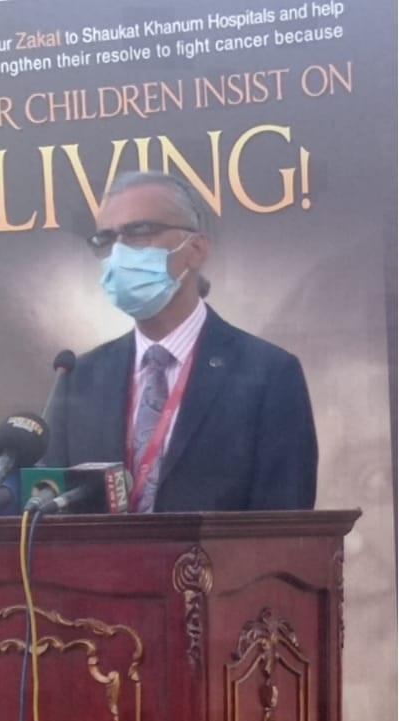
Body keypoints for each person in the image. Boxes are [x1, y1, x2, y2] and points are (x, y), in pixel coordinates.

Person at [44, 170, 318, 512]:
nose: (119, 252)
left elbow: (286, 521)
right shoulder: (79, 377)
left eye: (140, 231)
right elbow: (51, 514)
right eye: (106, 239)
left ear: (196, 249)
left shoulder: (269, 374)